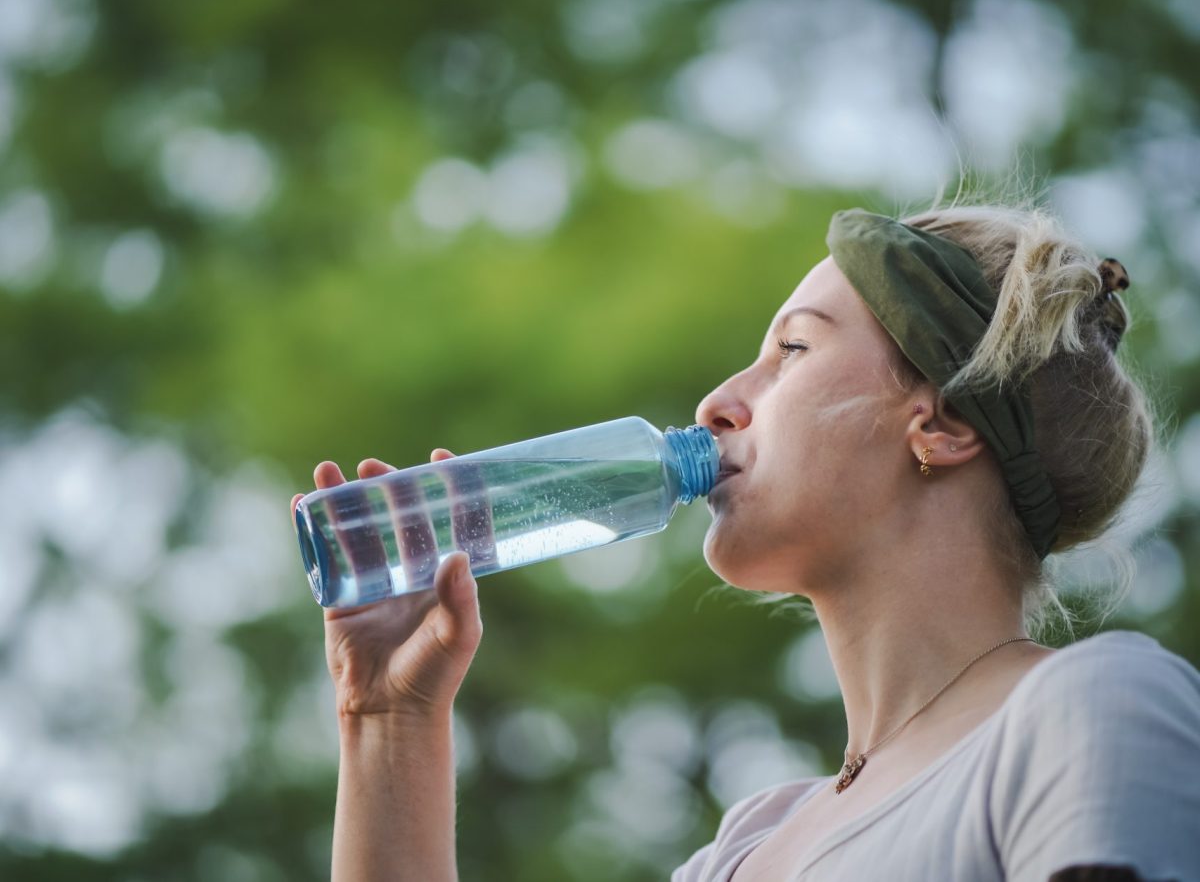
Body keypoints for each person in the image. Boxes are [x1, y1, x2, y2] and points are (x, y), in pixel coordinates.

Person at [291, 205, 1200, 882]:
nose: (718, 402)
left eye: (793, 351)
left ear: (943, 424)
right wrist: (389, 724)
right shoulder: (742, 851)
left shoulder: (1087, 711)